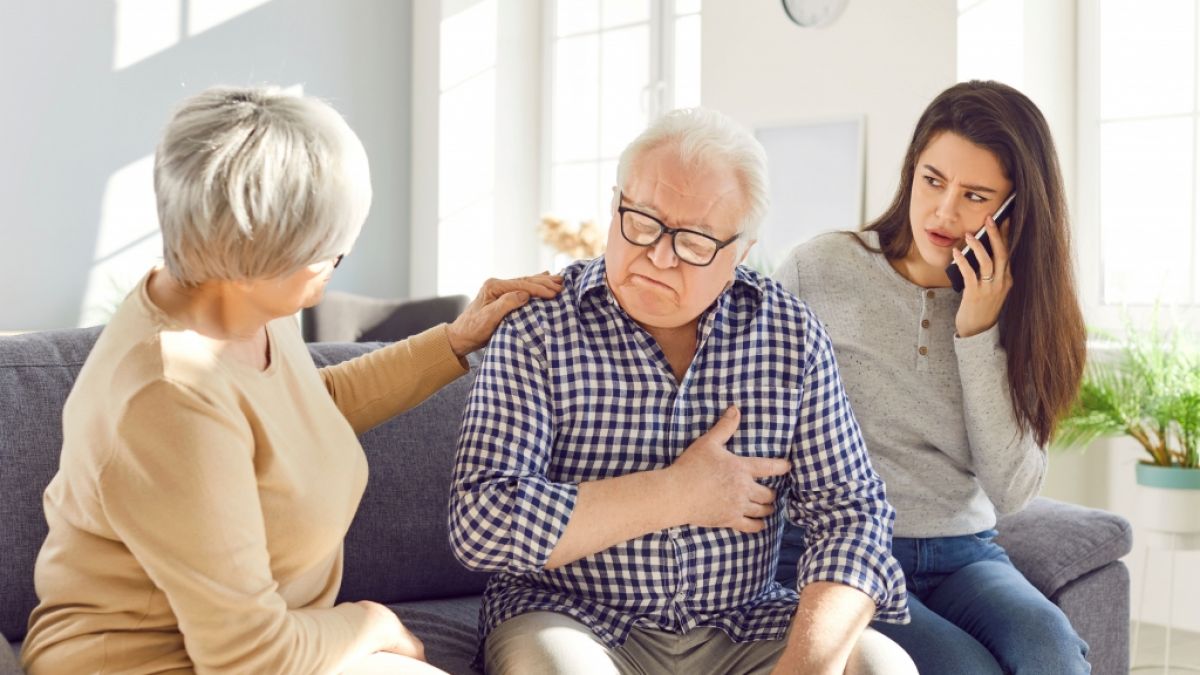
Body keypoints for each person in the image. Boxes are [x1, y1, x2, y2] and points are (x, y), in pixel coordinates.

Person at [21, 86, 561, 675]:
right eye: (331, 256)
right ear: (264, 257)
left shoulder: (230, 299)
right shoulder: (170, 395)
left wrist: (455, 340)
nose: (334, 265)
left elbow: (304, 409)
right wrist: (371, 622)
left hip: (267, 642)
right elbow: (248, 654)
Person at [448, 108, 916, 675]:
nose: (658, 255)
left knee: (881, 666)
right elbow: (481, 521)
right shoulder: (538, 326)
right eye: (641, 223)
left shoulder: (789, 333)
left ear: (740, 252)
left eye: (694, 242)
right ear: (614, 202)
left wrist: (808, 666)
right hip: (568, 618)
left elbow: (852, 514)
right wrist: (676, 493)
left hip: (743, 621)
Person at [773, 80, 1090, 674]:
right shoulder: (821, 269)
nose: (943, 212)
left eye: (975, 196)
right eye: (933, 180)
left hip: (963, 553)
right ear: (911, 170)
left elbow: (1012, 490)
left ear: (1014, 209)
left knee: (1052, 650)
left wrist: (978, 331)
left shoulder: (1027, 311)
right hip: (840, 549)